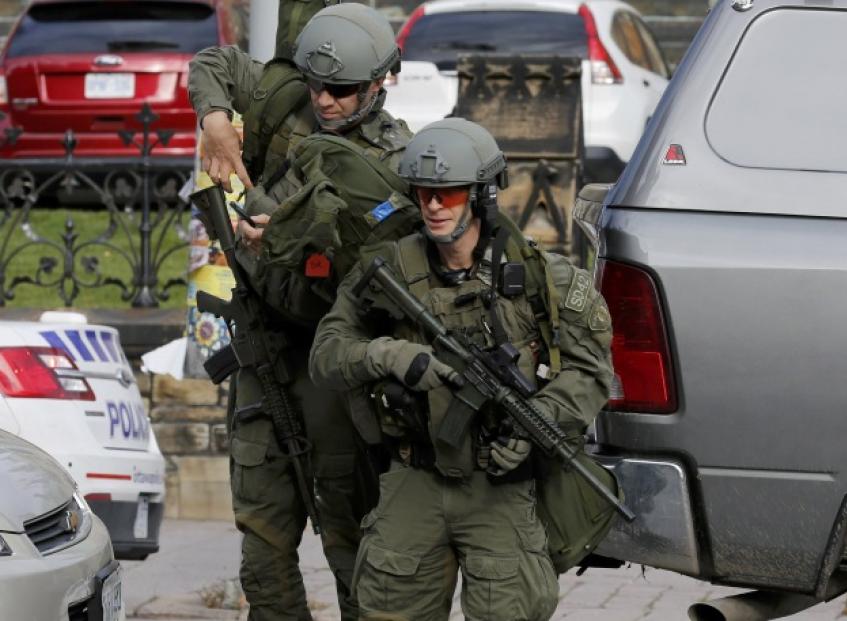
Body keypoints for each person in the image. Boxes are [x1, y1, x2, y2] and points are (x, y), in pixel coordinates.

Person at [310, 118, 615, 621]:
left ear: (479, 195)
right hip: (415, 477)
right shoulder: (386, 270)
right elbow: (326, 354)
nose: (432, 205)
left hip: (498, 487)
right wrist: (393, 356)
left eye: (448, 193)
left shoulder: (542, 278)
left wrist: (534, 422)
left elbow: (590, 372)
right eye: (424, 192)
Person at [187, 4, 419, 620]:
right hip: (265, 351)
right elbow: (211, 63)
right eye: (317, 86)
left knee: (350, 547)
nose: (326, 101)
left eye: (342, 91)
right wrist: (214, 120)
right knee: (262, 556)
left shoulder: (394, 165)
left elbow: (387, 272)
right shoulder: (289, 100)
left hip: (335, 368)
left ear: (379, 84)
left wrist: (296, 242)